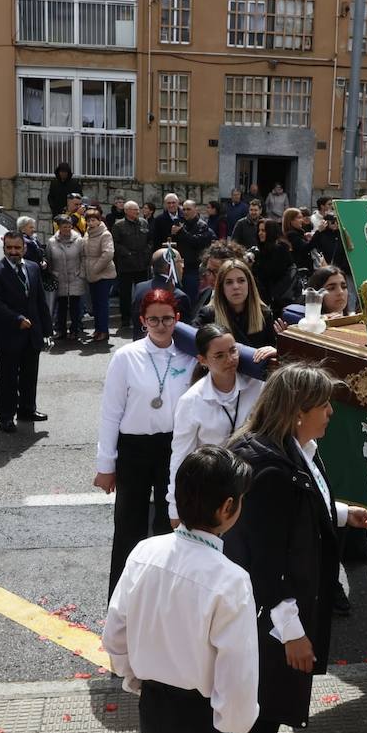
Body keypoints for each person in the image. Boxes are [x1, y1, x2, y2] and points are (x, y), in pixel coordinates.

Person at [226, 362, 367, 733]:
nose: (331, 412)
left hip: (281, 604)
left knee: (267, 691)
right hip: (275, 609)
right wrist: (291, 629)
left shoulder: (299, 449)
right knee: (272, 694)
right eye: (323, 405)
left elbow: (307, 509)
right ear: (296, 412)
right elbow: (268, 560)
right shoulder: (270, 470)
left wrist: (345, 514)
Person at [104, 445, 260, 733]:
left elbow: (115, 634)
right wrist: (233, 728)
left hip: (154, 708)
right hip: (204, 721)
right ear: (226, 508)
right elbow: (237, 672)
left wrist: (136, 680)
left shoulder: (144, 552)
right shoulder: (231, 580)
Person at [95, 289, 198, 598]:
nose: (161, 325)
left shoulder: (189, 355)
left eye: (167, 318)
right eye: (153, 319)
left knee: (172, 524)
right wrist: (105, 465)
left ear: (177, 319)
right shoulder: (127, 357)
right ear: (142, 321)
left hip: (174, 448)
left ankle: (166, 595)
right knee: (129, 525)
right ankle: (122, 598)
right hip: (134, 449)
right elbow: (111, 413)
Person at [167, 325, 265, 525]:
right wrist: (175, 508)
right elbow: (180, 457)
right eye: (219, 356)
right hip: (213, 490)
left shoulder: (257, 385)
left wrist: (275, 355)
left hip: (254, 483)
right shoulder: (191, 401)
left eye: (233, 350)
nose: (230, 360)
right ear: (202, 360)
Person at [0, 231, 52, 434]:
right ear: (4, 248)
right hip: (9, 334)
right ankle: (5, 416)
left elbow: (40, 300)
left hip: (32, 334)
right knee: (8, 378)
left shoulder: (32, 268)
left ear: (24, 248)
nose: (13, 252)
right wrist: (16, 319)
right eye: (9, 248)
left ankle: (27, 409)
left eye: (17, 248)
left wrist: (47, 330)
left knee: (30, 375)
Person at [196, 257, 281, 352]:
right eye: (229, 282)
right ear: (221, 288)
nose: (236, 287)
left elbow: (272, 350)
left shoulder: (264, 314)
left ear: (249, 284)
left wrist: (276, 348)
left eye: (241, 281)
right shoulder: (208, 315)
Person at [132, 248, 192, 337]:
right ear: (169, 267)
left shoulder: (139, 287)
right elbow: (183, 333)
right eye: (180, 262)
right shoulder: (178, 296)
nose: (182, 266)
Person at [113, 200, 151, 330]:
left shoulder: (144, 223)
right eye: (134, 209)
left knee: (143, 293)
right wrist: (127, 254)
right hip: (126, 265)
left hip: (141, 264)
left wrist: (147, 253)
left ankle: (142, 317)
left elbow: (150, 240)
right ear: (127, 211)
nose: (137, 211)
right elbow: (116, 244)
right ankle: (125, 319)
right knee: (125, 294)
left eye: (137, 209)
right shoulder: (119, 225)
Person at [82, 205, 116, 344]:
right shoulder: (87, 233)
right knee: (95, 304)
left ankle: (104, 330)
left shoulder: (105, 234)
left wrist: (95, 268)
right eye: (88, 220)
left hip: (104, 274)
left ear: (99, 220)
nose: (91, 223)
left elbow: (108, 253)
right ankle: (98, 329)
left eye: (93, 220)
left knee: (102, 304)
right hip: (91, 274)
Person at [251, 219, 297, 313]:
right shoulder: (261, 250)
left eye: (263, 231)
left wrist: (254, 265)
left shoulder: (280, 249)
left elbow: (271, 273)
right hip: (266, 298)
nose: (260, 233)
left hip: (279, 299)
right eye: (259, 230)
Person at [173, 201, 216, 298]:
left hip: (194, 269)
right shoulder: (182, 224)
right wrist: (174, 234)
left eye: (188, 209)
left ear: (196, 210)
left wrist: (181, 232)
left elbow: (197, 242)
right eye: (183, 209)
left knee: (191, 298)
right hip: (180, 267)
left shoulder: (202, 226)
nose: (185, 212)